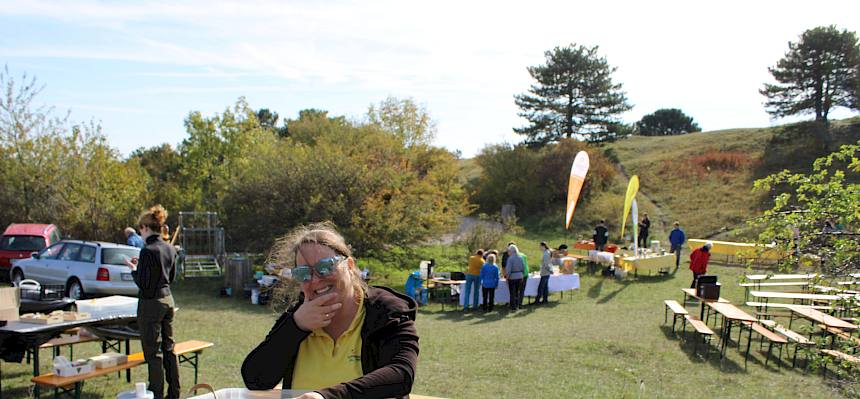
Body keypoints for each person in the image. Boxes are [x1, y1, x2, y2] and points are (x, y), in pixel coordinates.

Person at [242, 223, 418, 399]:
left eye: (325, 266)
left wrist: (325, 397)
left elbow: (401, 375)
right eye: (303, 273)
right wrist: (296, 327)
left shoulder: (386, 312)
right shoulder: (298, 315)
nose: (316, 279)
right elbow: (255, 379)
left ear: (349, 266)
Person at [125, 205, 180, 399]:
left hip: (151, 304)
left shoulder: (147, 251)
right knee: (169, 349)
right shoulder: (170, 248)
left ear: (146, 228)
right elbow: (171, 277)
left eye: (140, 228)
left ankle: (156, 393)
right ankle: (174, 393)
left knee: (153, 352)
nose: (140, 232)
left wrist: (134, 270)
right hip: (168, 300)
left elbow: (144, 284)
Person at [505, 245, 525, 311]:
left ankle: (513, 306)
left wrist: (507, 277)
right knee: (517, 292)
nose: (508, 252)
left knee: (512, 293)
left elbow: (508, 269)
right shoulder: (520, 257)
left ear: (511, 251)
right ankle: (517, 305)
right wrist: (522, 275)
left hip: (512, 277)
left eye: (509, 251)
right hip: (519, 276)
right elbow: (523, 268)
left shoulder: (510, 258)